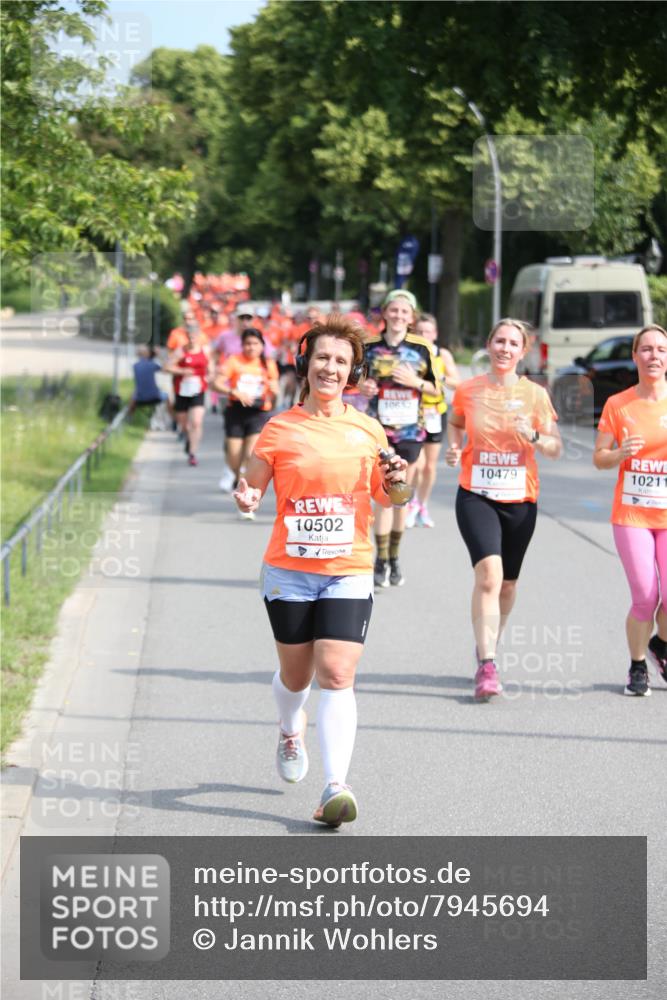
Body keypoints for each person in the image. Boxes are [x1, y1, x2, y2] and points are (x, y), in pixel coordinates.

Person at [233, 314, 408, 826]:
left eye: (342, 361)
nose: (331, 368)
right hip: (289, 571)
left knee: (337, 672)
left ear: (352, 372)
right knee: (297, 675)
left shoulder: (367, 429)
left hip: (348, 568)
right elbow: (251, 487)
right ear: (306, 363)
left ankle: (335, 785)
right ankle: (291, 728)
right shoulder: (280, 428)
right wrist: (245, 497)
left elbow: (389, 495)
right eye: (323, 358)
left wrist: (398, 479)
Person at [446, 318, 562, 701]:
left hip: (520, 499)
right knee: (489, 577)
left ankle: (487, 644)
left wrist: (535, 437)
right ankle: (488, 664)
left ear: (523, 351)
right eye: (499, 341)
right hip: (476, 494)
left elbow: (555, 448)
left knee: (508, 585)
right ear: (488, 344)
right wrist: (453, 446)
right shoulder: (468, 389)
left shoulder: (535, 395)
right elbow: (456, 423)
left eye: (513, 343)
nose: (505, 348)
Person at [593, 324, 667, 695]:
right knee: (646, 595)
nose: (654, 356)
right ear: (636, 356)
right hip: (633, 514)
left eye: (661, 350)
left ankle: (660, 645)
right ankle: (638, 666)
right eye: (647, 350)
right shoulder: (618, 404)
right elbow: (599, 458)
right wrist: (619, 454)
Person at [359, 289, 438, 588]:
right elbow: (353, 381)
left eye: (405, 312)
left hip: (410, 431)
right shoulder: (368, 347)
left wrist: (415, 382)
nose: (398, 316)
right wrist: (362, 388)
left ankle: (394, 557)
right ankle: (380, 561)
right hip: (378, 429)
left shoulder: (421, 348)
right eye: (394, 310)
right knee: (383, 496)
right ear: (385, 313)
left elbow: (437, 390)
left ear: (412, 317)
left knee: (400, 497)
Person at [214, 328, 279, 518]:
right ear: (242, 345)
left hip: (258, 413)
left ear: (262, 346)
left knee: (251, 455)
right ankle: (237, 477)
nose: (251, 347)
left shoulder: (268, 364)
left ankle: (247, 500)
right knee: (234, 458)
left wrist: (274, 392)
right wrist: (234, 392)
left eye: (255, 344)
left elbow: (274, 392)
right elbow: (215, 383)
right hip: (236, 411)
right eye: (247, 344)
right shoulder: (234, 361)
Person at [406, 313, 462, 528]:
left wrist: (441, 378)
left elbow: (458, 383)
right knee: (417, 465)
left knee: (429, 467)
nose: (423, 335)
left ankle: (422, 505)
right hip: (411, 415)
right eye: (419, 332)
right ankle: (410, 504)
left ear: (435, 334)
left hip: (434, 413)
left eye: (427, 332)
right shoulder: (408, 353)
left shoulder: (442, 354)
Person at [163, 323, 211, 467]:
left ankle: (193, 453)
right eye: (189, 337)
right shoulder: (180, 351)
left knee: (196, 422)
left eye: (194, 337)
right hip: (182, 390)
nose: (192, 340)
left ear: (199, 337)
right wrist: (182, 371)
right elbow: (167, 367)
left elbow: (211, 367)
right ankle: (189, 439)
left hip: (198, 389)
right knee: (184, 424)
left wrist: (211, 375)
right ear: (186, 338)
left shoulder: (205, 350)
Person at [128, 345, 168, 417]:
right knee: (167, 396)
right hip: (155, 397)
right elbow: (165, 369)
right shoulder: (152, 364)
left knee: (133, 394)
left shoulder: (135, 366)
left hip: (139, 398)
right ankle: (174, 420)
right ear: (148, 353)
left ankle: (129, 417)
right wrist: (159, 356)